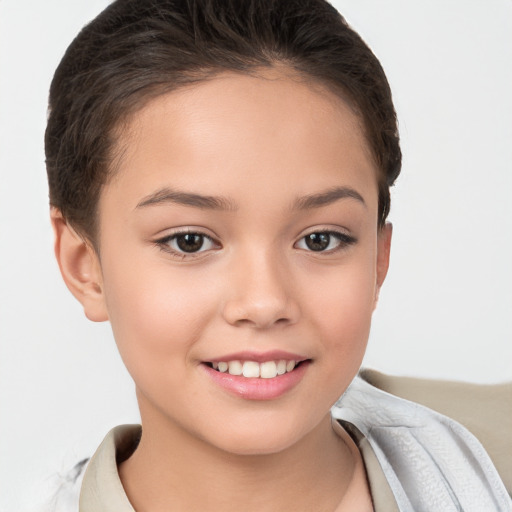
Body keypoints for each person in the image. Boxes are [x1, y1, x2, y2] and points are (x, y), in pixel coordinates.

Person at [44, 0, 511, 510]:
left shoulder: (494, 461)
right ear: (84, 266)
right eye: (189, 241)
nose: (264, 302)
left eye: (320, 239)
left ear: (379, 260)